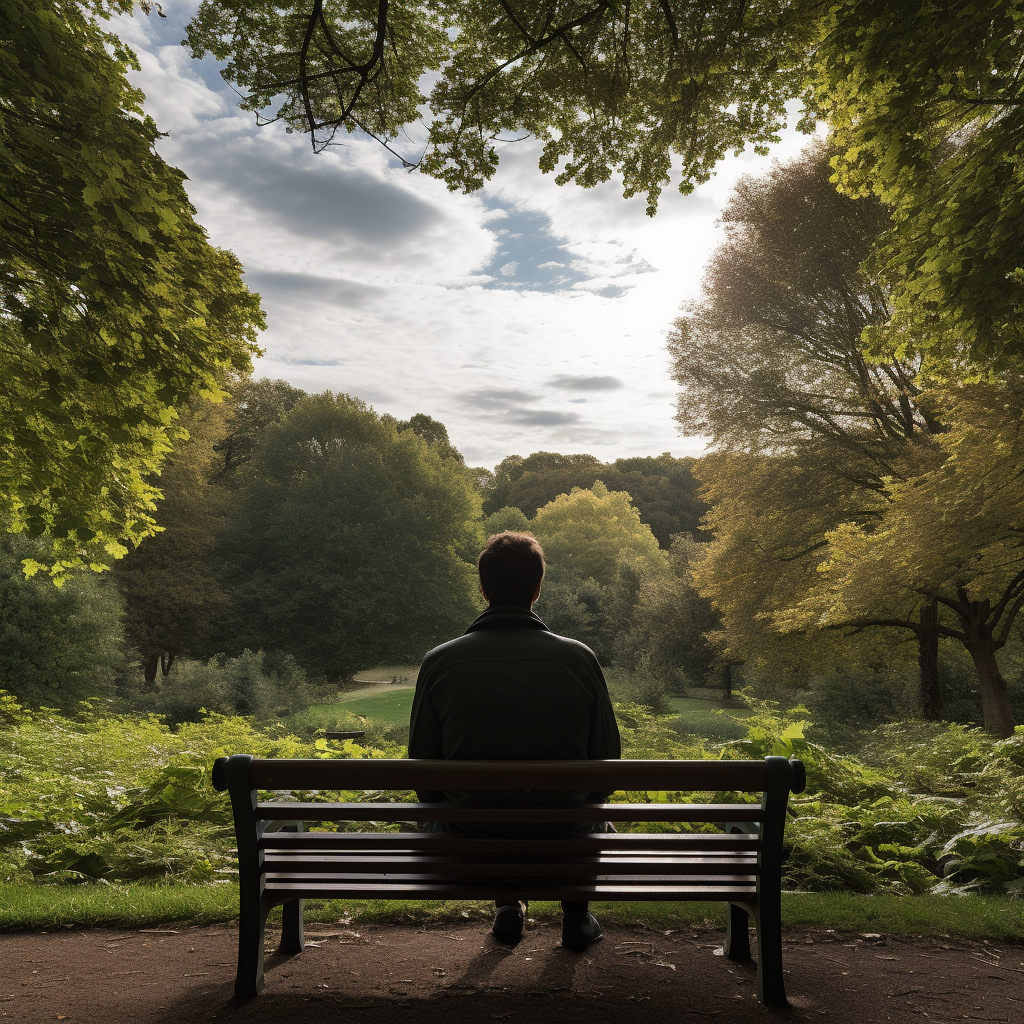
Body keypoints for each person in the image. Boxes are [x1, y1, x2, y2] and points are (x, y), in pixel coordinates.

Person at [408, 531, 621, 948]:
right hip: (565, 842)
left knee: (471, 810)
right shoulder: (579, 658)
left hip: (471, 846)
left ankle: (508, 906)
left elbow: (424, 774)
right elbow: (605, 768)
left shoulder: (441, 661)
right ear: (537, 589)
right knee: (590, 812)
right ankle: (576, 916)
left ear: (484, 588)